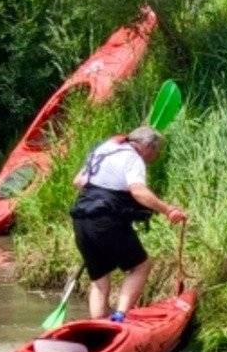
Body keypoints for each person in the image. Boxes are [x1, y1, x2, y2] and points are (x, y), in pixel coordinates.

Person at [70, 126, 188, 322]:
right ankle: (119, 316)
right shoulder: (133, 158)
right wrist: (168, 210)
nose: (156, 156)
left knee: (100, 281)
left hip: (81, 218)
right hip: (105, 219)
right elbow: (138, 191)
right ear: (147, 147)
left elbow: (78, 181)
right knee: (141, 266)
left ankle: (98, 324)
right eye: (156, 151)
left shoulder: (104, 148)